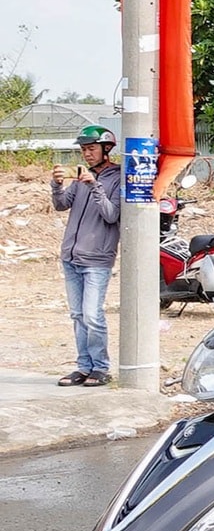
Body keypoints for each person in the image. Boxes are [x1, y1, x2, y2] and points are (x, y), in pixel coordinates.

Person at [50, 125, 124, 386]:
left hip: (97, 259)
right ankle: (83, 366)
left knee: (93, 315)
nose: (87, 154)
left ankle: (101, 368)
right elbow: (61, 204)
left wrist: (95, 187)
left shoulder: (117, 178)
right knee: (78, 315)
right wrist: (57, 184)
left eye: (91, 149)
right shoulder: (81, 176)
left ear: (106, 149)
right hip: (71, 257)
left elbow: (112, 214)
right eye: (83, 149)